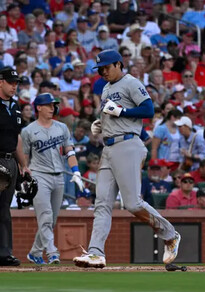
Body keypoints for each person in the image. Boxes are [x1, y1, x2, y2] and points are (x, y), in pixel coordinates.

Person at [73, 50, 181, 268]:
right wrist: (101, 124)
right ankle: (96, 253)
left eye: (106, 67)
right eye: (100, 69)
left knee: (132, 203)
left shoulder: (131, 82)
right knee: (102, 203)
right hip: (109, 147)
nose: (103, 71)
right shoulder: (105, 88)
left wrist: (121, 112)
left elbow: (149, 109)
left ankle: (170, 235)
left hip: (128, 145)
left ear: (118, 64)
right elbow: (112, 114)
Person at [22, 93, 85, 265]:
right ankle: (52, 252)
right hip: (38, 175)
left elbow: (69, 151)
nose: (52, 108)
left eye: (53, 105)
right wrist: (24, 176)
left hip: (59, 176)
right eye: (49, 105)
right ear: (39, 108)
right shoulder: (28, 131)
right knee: (46, 216)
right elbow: (24, 157)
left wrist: (76, 171)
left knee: (51, 219)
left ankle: (35, 252)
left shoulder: (62, 127)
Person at [0, 68, 31, 267]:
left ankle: (3, 252)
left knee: (4, 210)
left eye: (16, 83)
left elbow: (16, 137)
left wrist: (23, 165)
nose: (14, 86)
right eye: (10, 82)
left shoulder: (16, 106)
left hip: (10, 159)